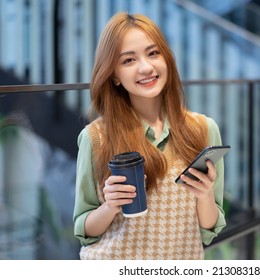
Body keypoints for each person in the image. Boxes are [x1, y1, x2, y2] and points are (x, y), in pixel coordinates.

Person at [73, 12, 227, 260]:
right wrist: (110, 206)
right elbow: (85, 229)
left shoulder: (204, 128)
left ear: (167, 58)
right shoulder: (95, 137)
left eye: (153, 53)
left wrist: (205, 194)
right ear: (113, 75)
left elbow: (209, 229)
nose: (146, 67)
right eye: (129, 60)